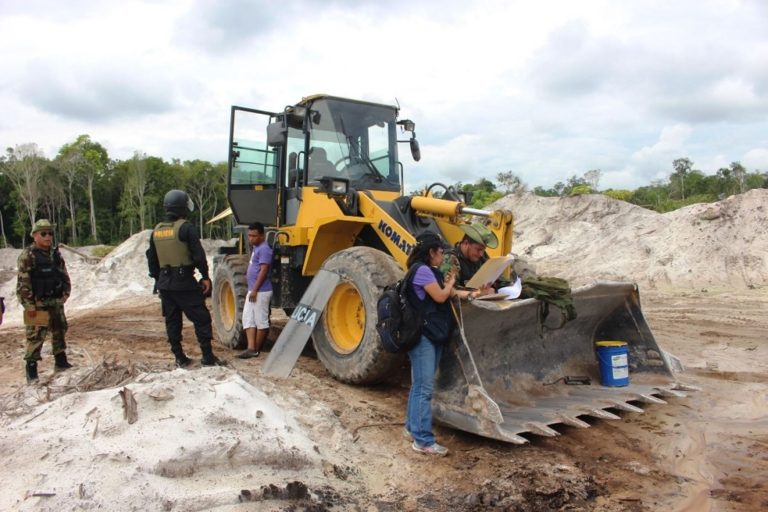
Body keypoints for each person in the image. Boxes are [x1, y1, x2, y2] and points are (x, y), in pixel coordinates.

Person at [404, 231, 489, 456]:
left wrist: (476, 294)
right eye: (441, 252)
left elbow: (452, 293)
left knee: (419, 386)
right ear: (431, 252)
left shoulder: (430, 271)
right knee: (424, 389)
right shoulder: (422, 271)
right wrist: (451, 278)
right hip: (423, 337)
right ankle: (423, 441)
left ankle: (412, 428)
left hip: (431, 335)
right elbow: (442, 296)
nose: (443, 256)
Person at [146, 189, 224, 368]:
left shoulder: (156, 231)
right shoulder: (186, 228)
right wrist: (205, 276)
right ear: (183, 207)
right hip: (184, 282)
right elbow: (198, 255)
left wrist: (158, 280)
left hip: (165, 284)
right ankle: (207, 356)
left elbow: (151, 259)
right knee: (201, 318)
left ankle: (179, 357)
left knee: (172, 321)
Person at [17, 219, 73, 384]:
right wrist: (29, 305)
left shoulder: (55, 254)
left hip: (55, 301)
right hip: (37, 304)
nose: (48, 236)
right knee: (35, 336)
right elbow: (23, 284)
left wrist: (65, 294)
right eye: (43, 233)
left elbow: (63, 275)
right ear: (35, 235)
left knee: (60, 330)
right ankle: (31, 371)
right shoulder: (28, 256)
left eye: (50, 233)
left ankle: (61, 362)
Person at [236, 222, 273, 359]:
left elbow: (264, 270)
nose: (251, 238)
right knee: (248, 318)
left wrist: (255, 290)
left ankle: (256, 349)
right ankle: (251, 348)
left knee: (260, 320)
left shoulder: (264, 249)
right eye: (249, 235)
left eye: (254, 236)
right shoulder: (256, 248)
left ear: (262, 235)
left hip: (261, 291)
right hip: (253, 290)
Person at [444, 222, 510, 289]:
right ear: (466, 243)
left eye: (483, 250)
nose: (481, 254)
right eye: (478, 249)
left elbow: (498, 278)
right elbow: (451, 290)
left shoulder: (481, 257)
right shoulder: (451, 259)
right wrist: (479, 292)